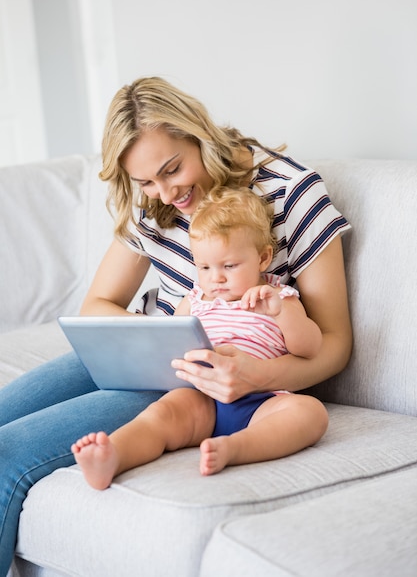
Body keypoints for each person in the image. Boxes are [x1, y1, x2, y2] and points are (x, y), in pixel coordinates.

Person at [0, 76, 352, 574]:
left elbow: (334, 346)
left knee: (5, 459)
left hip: (207, 382)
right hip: (150, 352)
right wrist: (157, 334)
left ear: (200, 137)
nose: (164, 193)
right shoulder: (156, 202)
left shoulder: (291, 193)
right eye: (145, 182)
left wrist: (255, 376)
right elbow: (99, 303)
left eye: (172, 169)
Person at [71, 187, 327, 488]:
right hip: (200, 397)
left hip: (260, 400)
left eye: (229, 266)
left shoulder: (278, 296)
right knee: (160, 415)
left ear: (263, 257)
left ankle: (236, 448)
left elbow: (310, 348)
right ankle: (113, 455)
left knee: (311, 413)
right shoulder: (195, 299)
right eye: (204, 267)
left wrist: (282, 312)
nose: (216, 278)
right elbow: (170, 346)